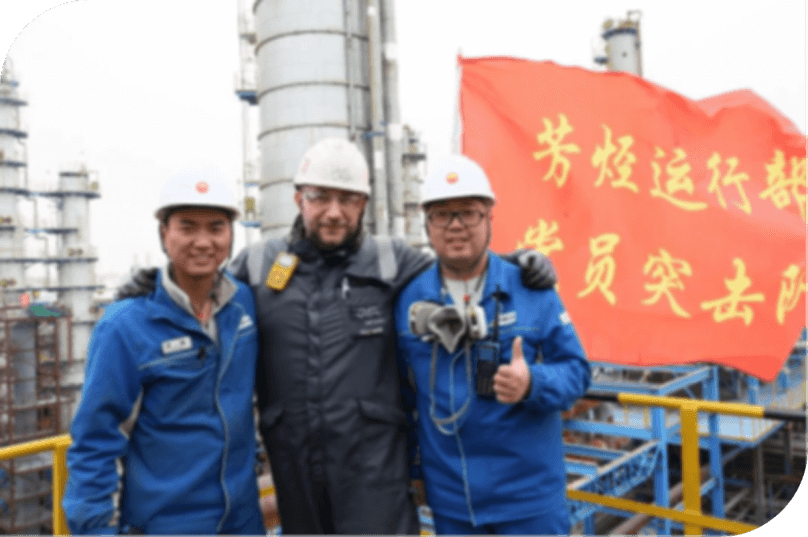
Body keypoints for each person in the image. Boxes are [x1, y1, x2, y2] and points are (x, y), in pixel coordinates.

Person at [117, 137, 557, 534]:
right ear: (298, 199)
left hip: (374, 473)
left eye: (348, 199)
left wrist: (516, 263)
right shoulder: (259, 266)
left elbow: (459, 266)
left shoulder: (391, 260)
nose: (334, 211)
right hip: (294, 468)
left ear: (363, 204)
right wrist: (154, 282)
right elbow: (204, 284)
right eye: (320, 197)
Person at [394, 154, 591, 535]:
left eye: (469, 213)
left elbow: (577, 372)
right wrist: (415, 471)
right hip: (453, 503)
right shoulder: (409, 302)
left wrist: (532, 383)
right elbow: (403, 399)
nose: (455, 226)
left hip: (528, 501)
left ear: (490, 219)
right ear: (427, 224)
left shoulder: (531, 290)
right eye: (442, 215)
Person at [63, 170, 265, 535]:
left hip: (242, 519)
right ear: (163, 234)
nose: (203, 242)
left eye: (216, 227)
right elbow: (96, 440)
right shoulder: (125, 326)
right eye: (187, 227)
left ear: (231, 235)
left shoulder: (243, 307)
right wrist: (95, 528)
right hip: (166, 523)